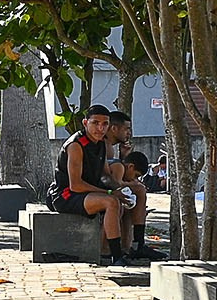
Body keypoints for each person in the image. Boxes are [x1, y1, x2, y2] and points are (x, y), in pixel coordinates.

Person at [51, 105, 129, 260]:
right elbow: (76, 185)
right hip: (65, 195)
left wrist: (121, 190)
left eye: (105, 124)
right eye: (95, 123)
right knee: (111, 202)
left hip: (87, 194)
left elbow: (105, 176)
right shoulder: (76, 145)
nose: (100, 128)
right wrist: (109, 193)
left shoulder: (100, 144)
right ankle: (117, 257)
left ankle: (103, 251)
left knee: (118, 204)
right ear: (85, 123)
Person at [105, 112, 157, 260]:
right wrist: (131, 183)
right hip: (99, 189)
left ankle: (131, 246)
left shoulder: (111, 148)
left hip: (107, 187)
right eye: (126, 129)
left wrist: (123, 157)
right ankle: (137, 244)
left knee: (130, 202)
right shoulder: (104, 146)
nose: (129, 133)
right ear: (114, 129)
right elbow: (111, 178)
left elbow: (113, 172)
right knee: (139, 190)